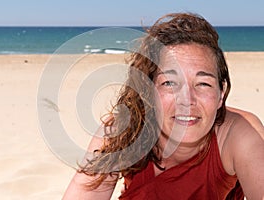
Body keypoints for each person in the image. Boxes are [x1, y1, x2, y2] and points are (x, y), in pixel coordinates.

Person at [63, 13, 264, 199]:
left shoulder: (240, 135)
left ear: (221, 94)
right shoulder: (124, 129)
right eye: (170, 83)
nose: (187, 99)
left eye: (203, 84)